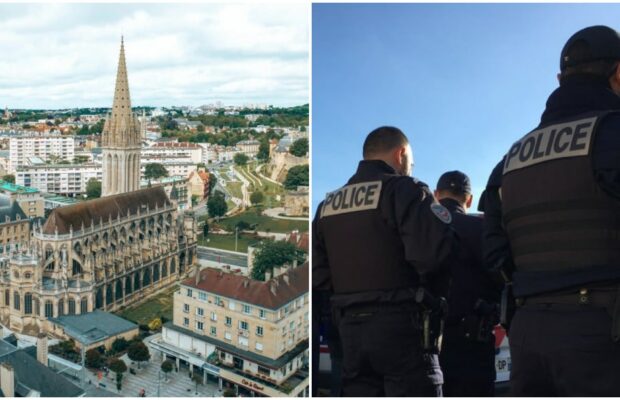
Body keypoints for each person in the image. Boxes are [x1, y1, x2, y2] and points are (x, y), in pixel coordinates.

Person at [481, 25, 620, 396]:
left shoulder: (511, 157)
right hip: (604, 333)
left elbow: (493, 249)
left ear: (560, 80)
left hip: (528, 332)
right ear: (618, 73)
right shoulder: (612, 133)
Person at [313, 126, 456, 397]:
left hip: (350, 334)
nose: (410, 168)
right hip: (403, 328)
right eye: (410, 162)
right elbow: (433, 257)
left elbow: (319, 275)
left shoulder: (327, 204)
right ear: (401, 154)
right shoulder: (406, 190)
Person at [434, 171, 500, 397]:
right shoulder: (481, 229)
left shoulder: (416, 227)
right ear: (469, 199)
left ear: (436, 195)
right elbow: (500, 276)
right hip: (472, 344)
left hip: (420, 344)